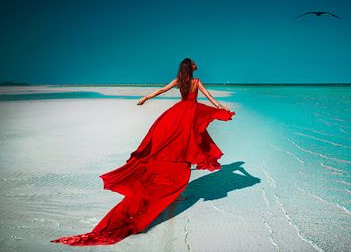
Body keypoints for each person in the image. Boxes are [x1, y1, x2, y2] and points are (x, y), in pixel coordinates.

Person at [50, 58, 236, 246]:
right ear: (191, 67)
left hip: (177, 115)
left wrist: (146, 98)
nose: (197, 64)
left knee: (176, 151)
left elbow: (162, 90)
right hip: (188, 118)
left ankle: (173, 190)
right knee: (184, 151)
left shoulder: (179, 81)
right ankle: (173, 191)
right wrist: (220, 106)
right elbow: (208, 97)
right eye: (194, 63)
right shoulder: (196, 82)